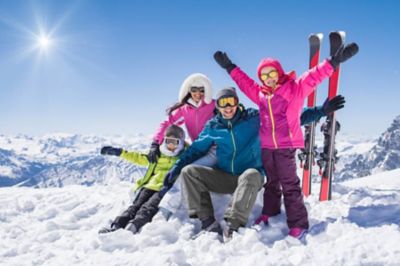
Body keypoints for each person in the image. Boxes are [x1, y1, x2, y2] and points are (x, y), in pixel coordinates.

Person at [213, 41, 358, 239]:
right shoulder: (261, 95)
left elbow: (314, 76)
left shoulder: (295, 88)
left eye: (271, 73)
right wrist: (230, 66)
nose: (268, 78)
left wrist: (334, 61)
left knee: (289, 185)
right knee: (272, 183)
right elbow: (244, 82)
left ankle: (299, 222)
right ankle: (270, 211)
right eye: (264, 75)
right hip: (267, 146)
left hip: (286, 147)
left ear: (279, 72)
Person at [149, 73, 219, 221]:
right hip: (198, 149)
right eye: (194, 90)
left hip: (215, 149)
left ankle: (166, 209)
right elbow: (167, 123)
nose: (198, 94)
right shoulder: (185, 110)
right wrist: (156, 142)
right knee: (179, 170)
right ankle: (160, 202)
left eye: (201, 90)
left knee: (186, 172)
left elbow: (229, 112)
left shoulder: (213, 105)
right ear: (188, 90)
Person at [98, 125, 186, 234]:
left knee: (148, 208)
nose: (171, 145)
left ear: (181, 142)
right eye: (168, 141)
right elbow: (137, 157)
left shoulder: (184, 156)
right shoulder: (158, 154)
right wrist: (119, 152)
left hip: (164, 188)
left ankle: (133, 226)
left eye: (175, 142)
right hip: (149, 186)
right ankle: (117, 226)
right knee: (135, 206)